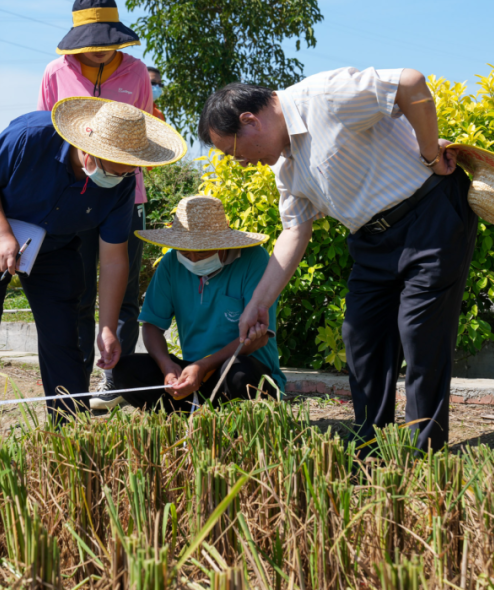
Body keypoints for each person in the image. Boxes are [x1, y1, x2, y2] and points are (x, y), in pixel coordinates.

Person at [198, 68, 478, 453]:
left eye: (234, 151)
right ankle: (371, 444)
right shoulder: (286, 166)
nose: (242, 162)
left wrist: (430, 154)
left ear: (250, 120)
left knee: (420, 333)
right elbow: (295, 232)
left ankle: (423, 451)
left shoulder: (323, 95)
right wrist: (257, 304)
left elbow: (410, 84)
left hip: (429, 215)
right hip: (371, 239)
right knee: (360, 336)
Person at [0, 97, 185, 449]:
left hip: (53, 245)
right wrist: (1, 235)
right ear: (88, 152)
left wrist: (107, 327)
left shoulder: (120, 184)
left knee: (63, 332)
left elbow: (115, 258)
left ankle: (70, 428)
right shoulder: (31, 136)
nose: (120, 177)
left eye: (127, 171)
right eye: (114, 168)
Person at [37, 0, 164, 412]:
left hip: (127, 195)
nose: (97, 48)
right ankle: (74, 382)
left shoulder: (137, 73)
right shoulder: (55, 72)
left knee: (124, 292)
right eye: (89, 40)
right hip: (74, 199)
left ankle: (115, 378)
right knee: (77, 291)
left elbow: (143, 133)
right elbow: (46, 132)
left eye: (104, 39)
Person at [112, 195, 285, 410]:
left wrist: (203, 366)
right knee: (126, 370)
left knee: (242, 375)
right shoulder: (170, 264)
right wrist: (167, 367)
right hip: (192, 373)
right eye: (185, 251)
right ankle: (191, 409)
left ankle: (209, 412)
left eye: (202, 251)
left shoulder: (255, 260)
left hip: (238, 368)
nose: (193, 259)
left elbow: (258, 339)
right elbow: (151, 326)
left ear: (223, 242)